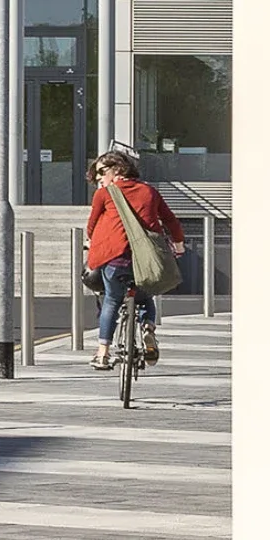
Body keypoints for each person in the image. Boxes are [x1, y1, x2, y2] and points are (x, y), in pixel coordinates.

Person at [85, 144, 184, 371]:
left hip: (115, 259)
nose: (99, 178)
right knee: (145, 295)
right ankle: (148, 328)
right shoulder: (149, 192)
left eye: (102, 172)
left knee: (111, 299)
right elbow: (170, 221)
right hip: (146, 258)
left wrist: (93, 242)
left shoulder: (104, 194)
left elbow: (91, 226)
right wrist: (178, 245)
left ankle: (102, 354)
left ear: (118, 169)